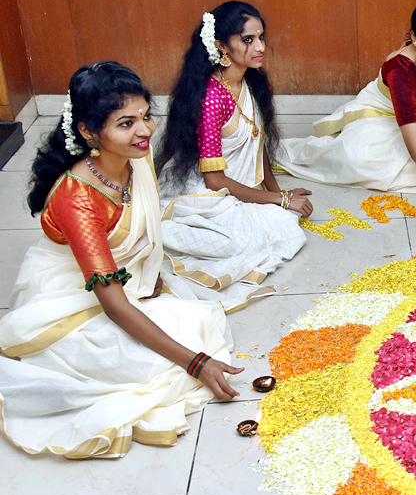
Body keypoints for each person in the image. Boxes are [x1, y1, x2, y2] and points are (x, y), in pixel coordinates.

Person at [0, 63, 240, 459]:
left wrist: (147, 276)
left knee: (198, 321)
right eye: (125, 123)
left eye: (146, 116)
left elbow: (141, 235)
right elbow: (113, 306)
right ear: (89, 133)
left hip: (121, 283)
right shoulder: (77, 198)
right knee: (150, 368)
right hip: (71, 296)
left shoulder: (136, 160)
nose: (145, 131)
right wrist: (196, 364)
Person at [275, 0, 416, 222]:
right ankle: (289, 154)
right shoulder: (400, 70)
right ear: (414, 37)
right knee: (358, 162)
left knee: (415, 173)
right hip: (378, 114)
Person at [157, 1, 309, 308]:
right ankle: (158, 230)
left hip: (237, 188)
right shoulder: (213, 99)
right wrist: (280, 201)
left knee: (284, 226)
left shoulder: (250, 81)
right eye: (248, 39)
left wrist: (277, 194)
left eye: (261, 37)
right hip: (210, 191)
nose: (260, 47)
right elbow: (214, 180)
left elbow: (257, 145)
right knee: (241, 243)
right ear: (221, 46)